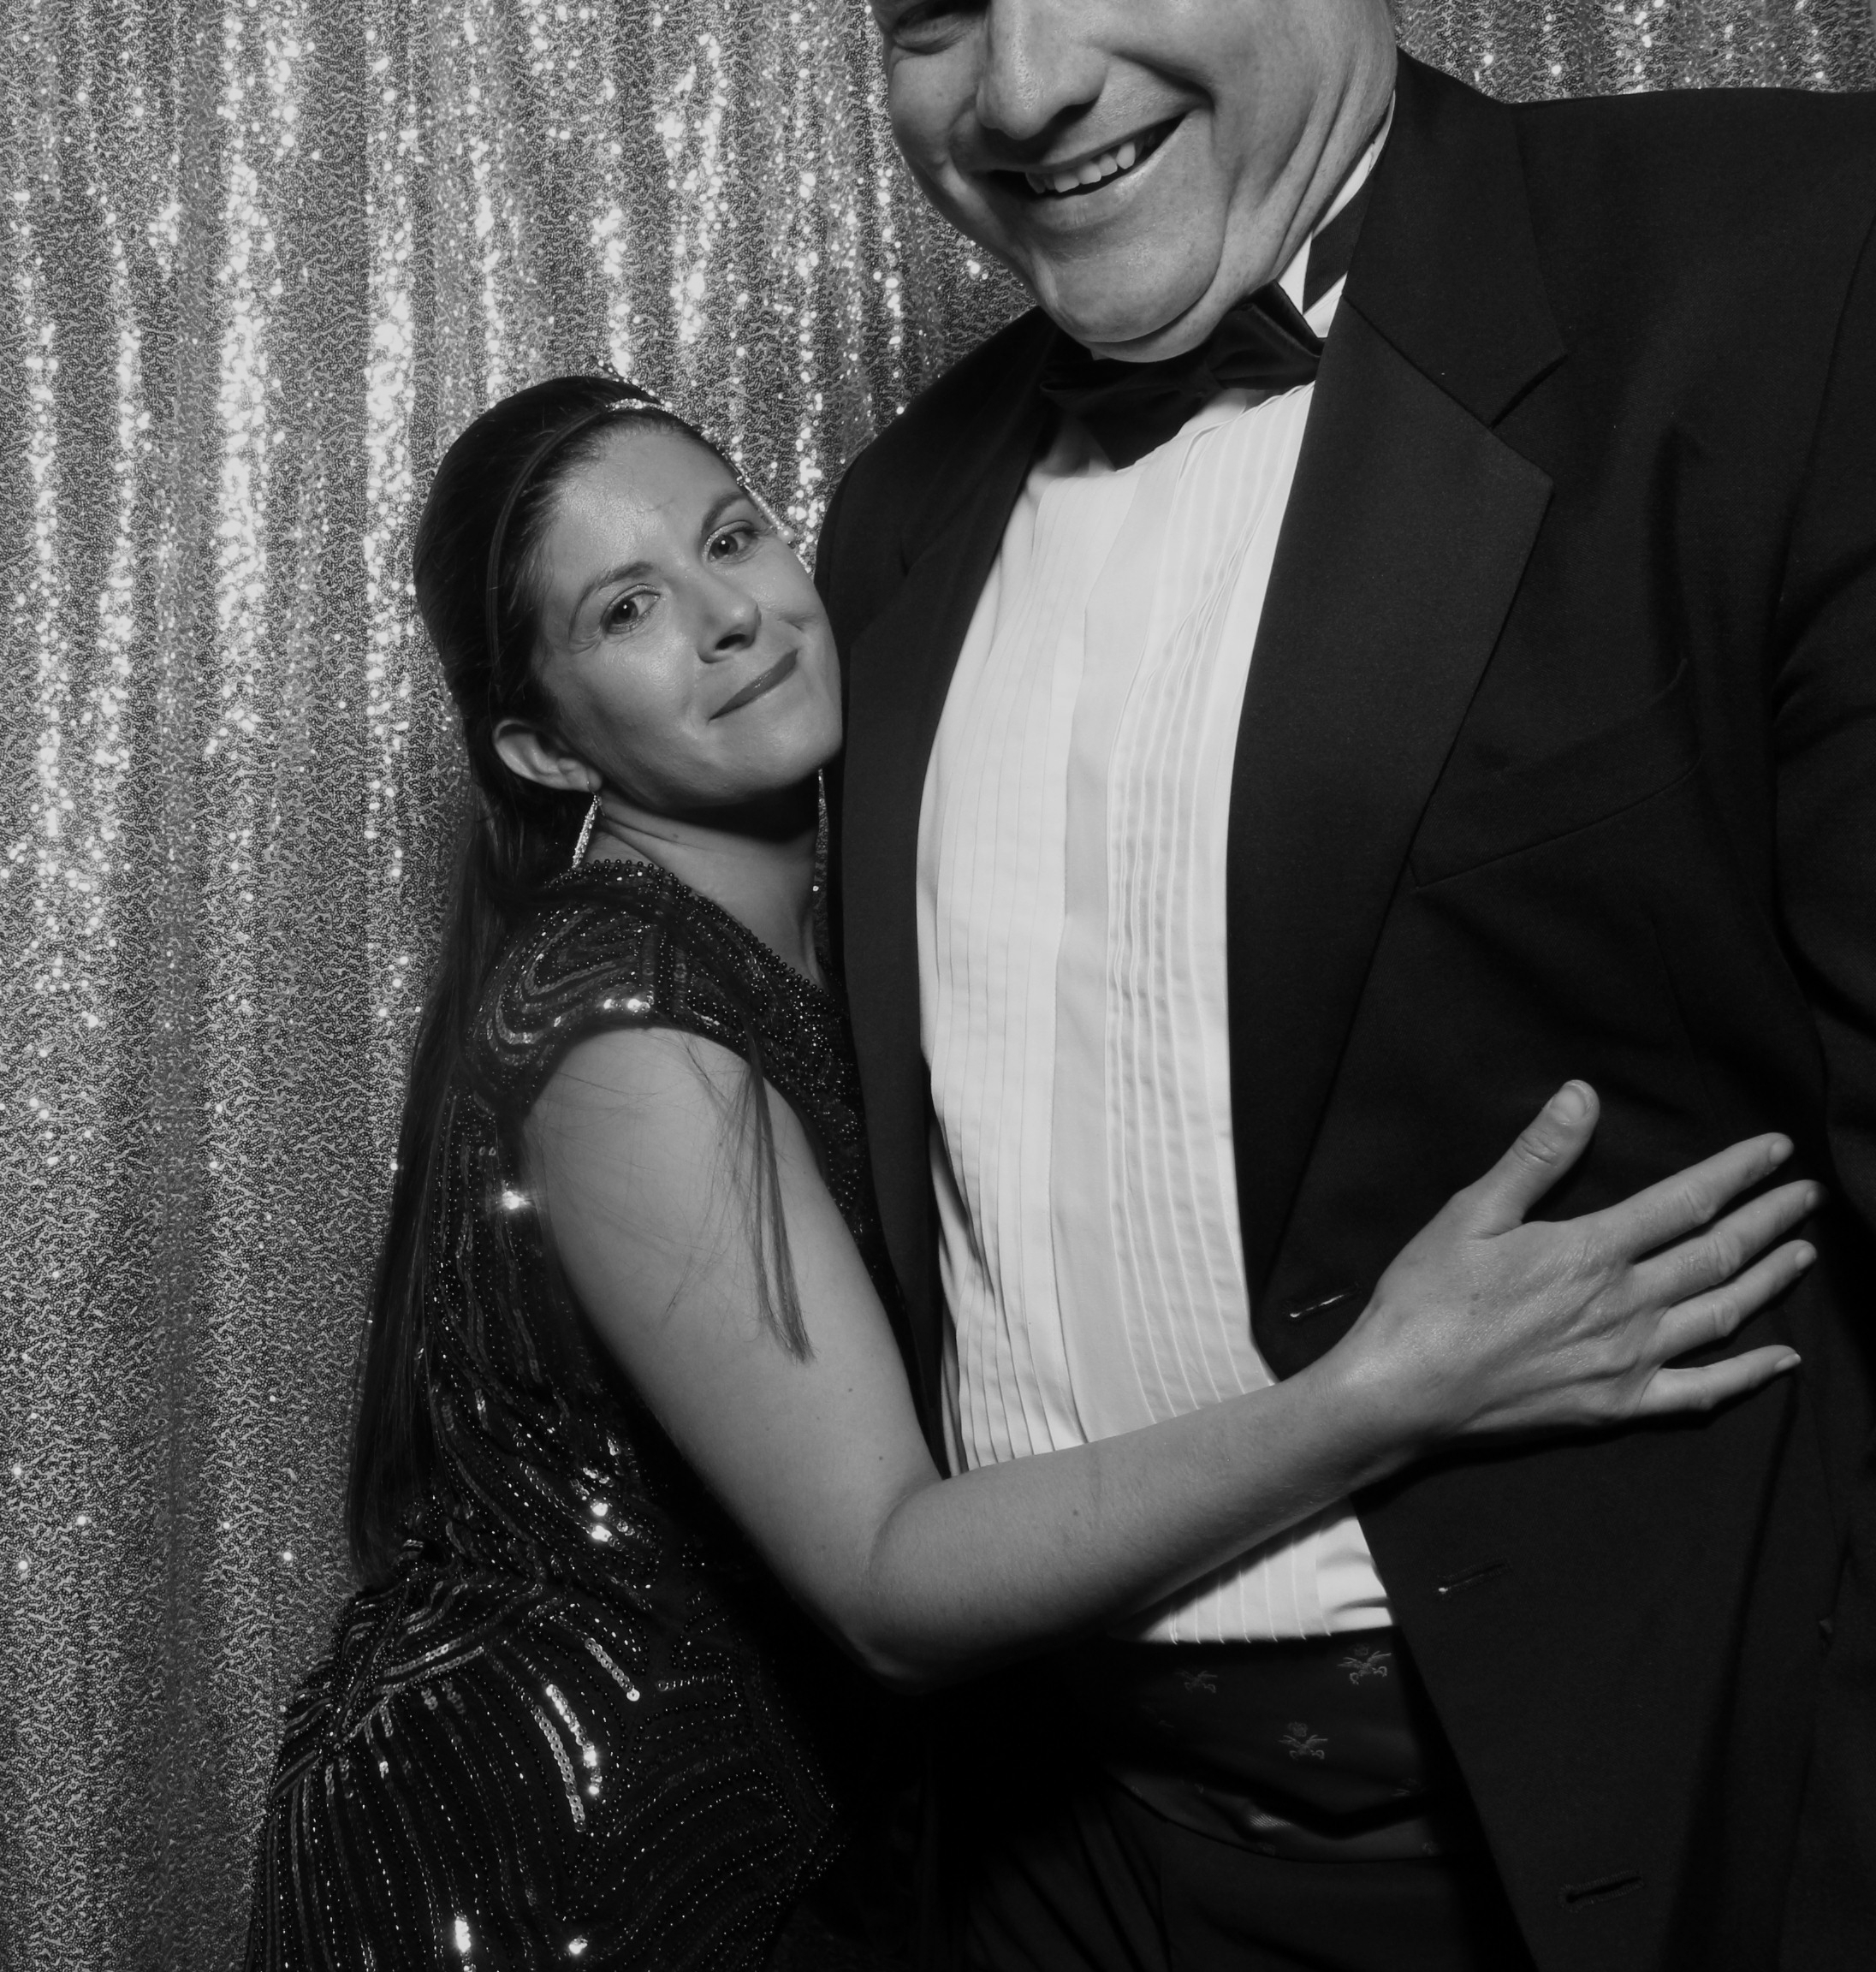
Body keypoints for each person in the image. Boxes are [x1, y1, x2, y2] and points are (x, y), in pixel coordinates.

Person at [240, 374, 1815, 1971]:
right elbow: (885, 1581)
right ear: (544, 747)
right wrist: (1391, 1388)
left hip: (776, 1838)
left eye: (731, 537)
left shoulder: (841, 915)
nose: (729, 617)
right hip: (560, 1867)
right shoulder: (625, 1028)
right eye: (627, 610)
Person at [816, 4, 1876, 1967]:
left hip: (1658, 1850)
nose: (1023, 87)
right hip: (1053, 1866)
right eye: (936, 14)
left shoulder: (1786, 261)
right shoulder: (891, 522)